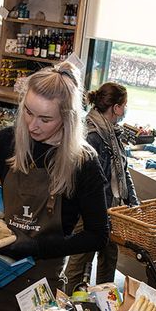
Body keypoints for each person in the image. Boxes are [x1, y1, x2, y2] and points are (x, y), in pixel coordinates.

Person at [0, 62, 110, 311]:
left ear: (67, 119)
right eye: (27, 112)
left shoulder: (83, 163)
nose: (31, 125)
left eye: (45, 118)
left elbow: (98, 235)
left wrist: (38, 247)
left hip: (34, 280)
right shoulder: (8, 140)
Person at [63, 82, 138, 293]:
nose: (125, 110)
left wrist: (132, 201)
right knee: (80, 259)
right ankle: (65, 302)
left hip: (110, 209)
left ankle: (105, 300)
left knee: (109, 257)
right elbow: (87, 177)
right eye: (124, 105)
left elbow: (122, 169)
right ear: (115, 107)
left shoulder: (112, 133)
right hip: (91, 210)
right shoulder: (93, 135)